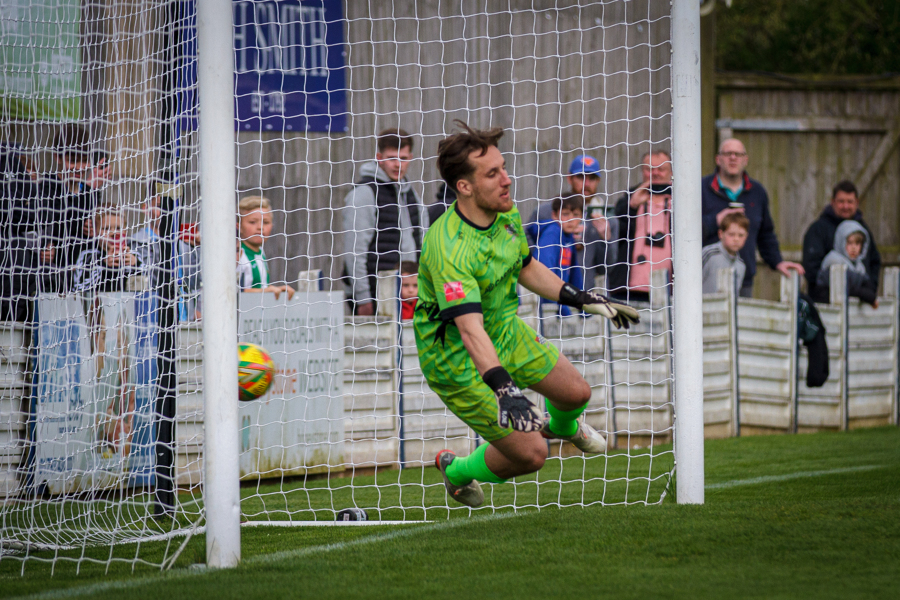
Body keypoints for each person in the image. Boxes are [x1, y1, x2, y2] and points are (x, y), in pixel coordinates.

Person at [414, 121, 639, 507]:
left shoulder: (505, 213)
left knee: (576, 393)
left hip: (503, 330)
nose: (507, 180)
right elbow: (469, 330)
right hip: (457, 359)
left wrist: (583, 299)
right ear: (464, 187)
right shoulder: (447, 246)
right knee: (533, 455)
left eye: (503, 168)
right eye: (493, 173)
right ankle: (457, 472)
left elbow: (526, 265)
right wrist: (505, 391)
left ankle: (562, 427)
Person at [343, 128, 429, 315]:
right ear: (379, 157)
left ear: (411, 157)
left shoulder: (411, 194)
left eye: (403, 158)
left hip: (411, 297)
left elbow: (424, 244)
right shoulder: (364, 193)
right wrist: (363, 298)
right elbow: (355, 251)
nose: (398, 165)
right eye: (392, 158)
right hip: (375, 296)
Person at [702, 138, 803, 297]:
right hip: (706, 278)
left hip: (744, 277)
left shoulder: (757, 192)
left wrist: (778, 262)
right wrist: (715, 221)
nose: (733, 158)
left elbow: (766, 234)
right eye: (728, 154)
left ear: (745, 160)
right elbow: (686, 232)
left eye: (738, 154)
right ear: (718, 159)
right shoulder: (702, 188)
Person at [525, 154, 612, 287]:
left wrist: (605, 240)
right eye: (581, 177)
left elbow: (607, 268)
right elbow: (525, 243)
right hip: (550, 291)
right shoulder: (546, 211)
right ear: (569, 178)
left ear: (598, 181)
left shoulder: (607, 218)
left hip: (587, 295)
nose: (586, 184)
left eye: (592, 178)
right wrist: (559, 235)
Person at [43, 124, 110, 293]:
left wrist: (97, 229)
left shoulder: (90, 193)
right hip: (53, 278)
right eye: (73, 161)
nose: (79, 167)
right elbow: (58, 220)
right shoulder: (46, 186)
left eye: (84, 160)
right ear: (57, 157)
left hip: (85, 278)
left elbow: (92, 234)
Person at [607, 150, 673, 303]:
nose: (655, 174)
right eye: (649, 169)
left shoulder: (682, 197)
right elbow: (617, 234)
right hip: (630, 285)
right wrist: (632, 205)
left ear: (670, 172)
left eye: (661, 169)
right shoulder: (630, 197)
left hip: (670, 285)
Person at [131, 178, 202, 320]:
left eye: (171, 206)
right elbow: (151, 279)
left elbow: (199, 282)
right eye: (160, 206)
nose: (166, 212)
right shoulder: (135, 243)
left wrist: (201, 249)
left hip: (187, 321)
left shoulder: (185, 244)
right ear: (146, 208)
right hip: (153, 320)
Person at [802, 180, 881, 304]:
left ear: (857, 203)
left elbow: (874, 261)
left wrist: (869, 289)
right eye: (841, 201)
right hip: (826, 305)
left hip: (860, 306)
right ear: (833, 202)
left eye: (850, 202)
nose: (846, 206)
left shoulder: (863, 230)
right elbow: (812, 271)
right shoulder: (818, 230)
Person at [532, 194, 585, 316]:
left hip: (558, 301)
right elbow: (545, 270)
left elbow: (574, 273)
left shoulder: (568, 237)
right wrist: (558, 304)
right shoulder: (552, 234)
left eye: (576, 215)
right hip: (545, 305)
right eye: (566, 214)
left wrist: (582, 302)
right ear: (554, 215)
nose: (571, 219)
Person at [237, 195, 295, 300]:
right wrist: (265, 291)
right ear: (239, 226)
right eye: (252, 222)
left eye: (266, 222)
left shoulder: (260, 251)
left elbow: (259, 288)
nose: (260, 227)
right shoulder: (237, 253)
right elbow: (232, 291)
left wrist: (276, 290)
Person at [72, 207, 143, 293]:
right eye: (106, 229)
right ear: (95, 231)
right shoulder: (88, 256)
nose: (113, 233)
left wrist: (136, 265)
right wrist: (105, 266)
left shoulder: (134, 255)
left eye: (118, 228)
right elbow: (78, 288)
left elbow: (149, 284)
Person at [816, 221, 878, 308]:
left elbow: (868, 287)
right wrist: (868, 296)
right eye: (849, 243)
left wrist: (868, 295)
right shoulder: (834, 261)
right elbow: (846, 288)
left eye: (857, 243)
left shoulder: (859, 266)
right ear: (841, 241)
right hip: (831, 311)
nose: (854, 247)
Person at [702, 212, 749, 295]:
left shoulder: (741, 265)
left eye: (741, 235)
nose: (736, 239)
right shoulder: (709, 254)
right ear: (721, 234)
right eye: (731, 234)